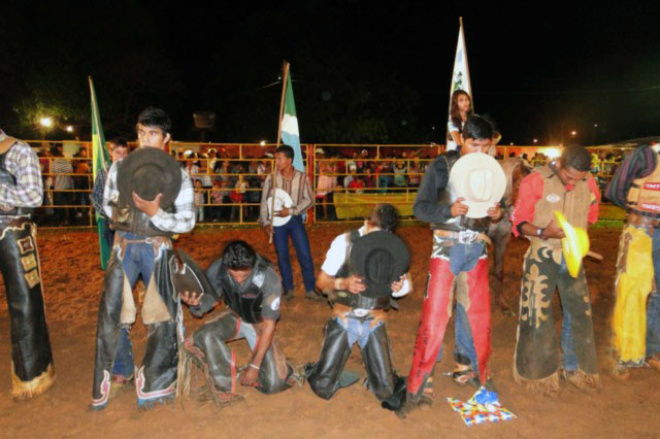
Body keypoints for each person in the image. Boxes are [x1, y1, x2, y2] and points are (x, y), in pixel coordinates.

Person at [91, 107, 196, 410]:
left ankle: (157, 379)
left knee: (162, 315)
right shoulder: (118, 169)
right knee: (113, 313)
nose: (145, 139)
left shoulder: (178, 174)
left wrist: (155, 214)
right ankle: (122, 369)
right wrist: (130, 214)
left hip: (155, 247)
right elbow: (108, 209)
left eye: (152, 133)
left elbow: (188, 221)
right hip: (124, 246)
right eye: (141, 132)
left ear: (166, 138)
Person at [398, 115, 503, 416]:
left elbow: (500, 208)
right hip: (447, 246)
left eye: (485, 145)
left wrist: (497, 213)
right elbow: (420, 208)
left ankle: (468, 368)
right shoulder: (442, 165)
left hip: (476, 247)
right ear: (461, 140)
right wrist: (448, 209)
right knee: (436, 313)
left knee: (477, 312)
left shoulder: (489, 168)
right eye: (473, 144)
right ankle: (424, 376)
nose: (480, 151)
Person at [510, 145, 601, 395]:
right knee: (538, 311)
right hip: (542, 252)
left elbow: (592, 214)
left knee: (579, 311)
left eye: (579, 178)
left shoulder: (589, 184)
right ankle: (539, 374)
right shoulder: (536, 180)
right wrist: (543, 232)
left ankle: (575, 368)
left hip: (573, 257)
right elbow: (518, 222)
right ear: (559, 164)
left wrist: (576, 239)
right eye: (569, 177)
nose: (573, 183)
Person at [305, 204, 411, 408]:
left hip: (374, 321)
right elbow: (320, 283)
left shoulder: (391, 246)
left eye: (385, 235)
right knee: (322, 386)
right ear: (367, 223)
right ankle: (321, 367)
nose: (379, 241)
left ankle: (376, 375)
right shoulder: (344, 242)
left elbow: (403, 286)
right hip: (344, 318)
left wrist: (398, 287)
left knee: (386, 390)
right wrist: (342, 283)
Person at [181, 240, 296, 404]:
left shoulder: (268, 276)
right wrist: (196, 304)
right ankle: (223, 388)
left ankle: (283, 368)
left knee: (274, 385)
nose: (239, 280)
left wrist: (255, 366)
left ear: (253, 265)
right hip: (235, 316)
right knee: (205, 336)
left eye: (243, 275)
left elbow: (269, 325)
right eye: (233, 275)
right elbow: (208, 302)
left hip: (260, 324)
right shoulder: (218, 268)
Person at [0, 129, 56, 401]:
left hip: (13, 233)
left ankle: (33, 374)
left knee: (24, 302)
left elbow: (34, 196)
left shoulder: (19, 150)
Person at [605, 143, 660, 379]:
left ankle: (651, 351)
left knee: (657, 294)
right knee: (632, 292)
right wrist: (636, 210)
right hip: (641, 232)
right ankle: (623, 352)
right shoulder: (646, 155)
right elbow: (614, 191)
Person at [259, 145, 321, 301]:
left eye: (279, 159)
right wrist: (266, 222)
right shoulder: (271, 178)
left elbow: (310, 200)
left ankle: (310, 288)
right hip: (277, 222)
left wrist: (292, 210)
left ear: (289, 160)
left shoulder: (302, 177)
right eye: (276, 159)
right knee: (282, 255)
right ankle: (288, 289)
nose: (277, 162)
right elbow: (265, 201)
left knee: (305, 254)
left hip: (294, 220)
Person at [91, 138, 130, 252]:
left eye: (124, 153)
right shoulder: (104, 173)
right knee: (115, 256)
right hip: (111, 223)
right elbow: (96, 197)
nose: (121, 156)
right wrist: (107, 213)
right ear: (110, 153)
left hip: (130, 224)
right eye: (118, 152)